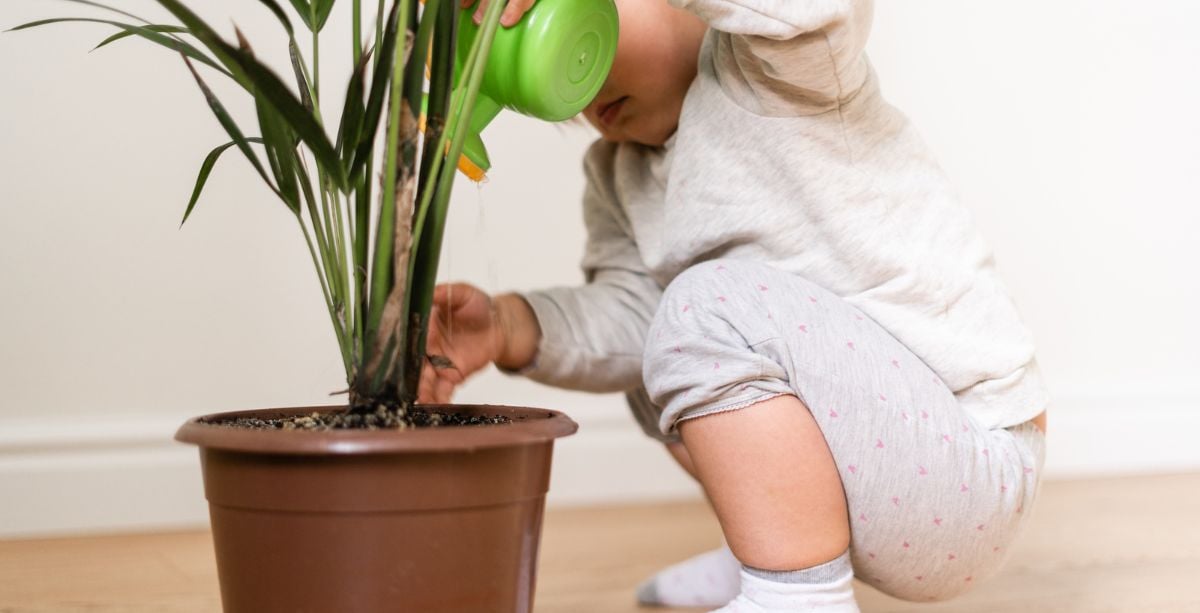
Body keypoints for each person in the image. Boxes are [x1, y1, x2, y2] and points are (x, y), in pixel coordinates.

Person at [419, 0, 1050, 610]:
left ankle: (797, 594)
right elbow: (632, 323)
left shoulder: (777, 72)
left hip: (964, 458)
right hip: (870, 472)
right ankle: (770, 551)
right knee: (660, 354)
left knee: (701, 308)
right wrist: (509, 326)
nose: (584, 84)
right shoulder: (618, 175)